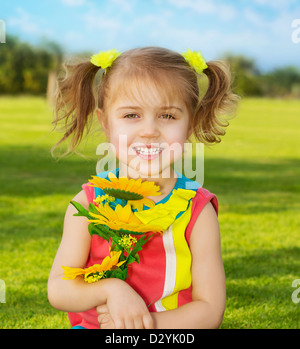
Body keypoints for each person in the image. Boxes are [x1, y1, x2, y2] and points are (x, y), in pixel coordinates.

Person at [47, 46, 238, 329]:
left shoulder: (197, 211)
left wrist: (139, 325)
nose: (149, 131)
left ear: (190, 124)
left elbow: (210, 311)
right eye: (131, 115)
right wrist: (111, 290)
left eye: (168, 116)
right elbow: (60, 291)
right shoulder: (88, 203)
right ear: (106, 123)